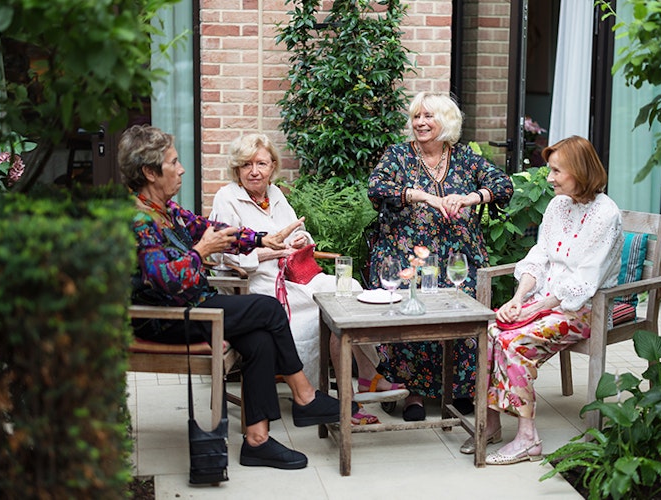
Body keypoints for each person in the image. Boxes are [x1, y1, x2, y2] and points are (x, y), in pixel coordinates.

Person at [120, 124, 341, 471]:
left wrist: (261, 239)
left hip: (192, 307)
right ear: (150, 172)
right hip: (164, 319)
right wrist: (201, 250)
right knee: (267, 309)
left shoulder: (166, 210)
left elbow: (215, 231)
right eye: (174, 162)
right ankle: (304, 396)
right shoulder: (137, 219)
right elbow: (166, 280)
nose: (181, 169)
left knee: (258, 341)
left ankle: (257, 440)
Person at [209, 133, 408, 425]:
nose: (254, 171)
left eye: (261, 163)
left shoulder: (274, 194)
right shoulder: (227, 198)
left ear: (272, 166)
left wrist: (302, 239)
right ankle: (332, 398)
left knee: (349, 289)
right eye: (246, 164)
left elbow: (294, 234)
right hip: (256, 286)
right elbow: (224, 255)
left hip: (295, 276)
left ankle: (366, 375)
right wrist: (269, 250)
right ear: (236, 169)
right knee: (325, 309)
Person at [475, 135, 624, 464]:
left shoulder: (605, 215)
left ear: (580, 172)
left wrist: (534, 310)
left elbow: (585, 280)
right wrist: (518, 300)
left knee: (513, 341)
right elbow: (539, 256)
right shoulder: (558, 205)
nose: (550, 177)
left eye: (557, 171)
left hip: (585, 310)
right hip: (544, 303)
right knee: (490, 331)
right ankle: (493, 424)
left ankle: (528, 439)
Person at [367, 92, 514, 421]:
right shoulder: (399, 156)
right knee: (410, 302)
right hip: (406, 255)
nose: (419, 122)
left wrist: (470, 198)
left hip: (458, 256)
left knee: (465, 303)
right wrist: (426, 198)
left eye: (428, 116)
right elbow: (376, 187)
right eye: (416, 117)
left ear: (445, 122)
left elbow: (503, 185)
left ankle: (459, 387)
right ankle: (413, 393)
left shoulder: (464, 157)